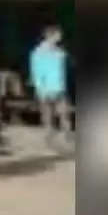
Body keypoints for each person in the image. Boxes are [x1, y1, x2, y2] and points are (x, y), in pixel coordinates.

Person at [30, 25, 71, 154]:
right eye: (58, 35)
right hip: (46, 89)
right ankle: (50, 143)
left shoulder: (59, 51)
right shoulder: (38, 52)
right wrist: (40, 90)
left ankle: (66, 141)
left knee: (65, 115)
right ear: (50, 36)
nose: (60, 37)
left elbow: (64, 62)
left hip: (59, 88)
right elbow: (36, 72)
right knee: (49, 118)